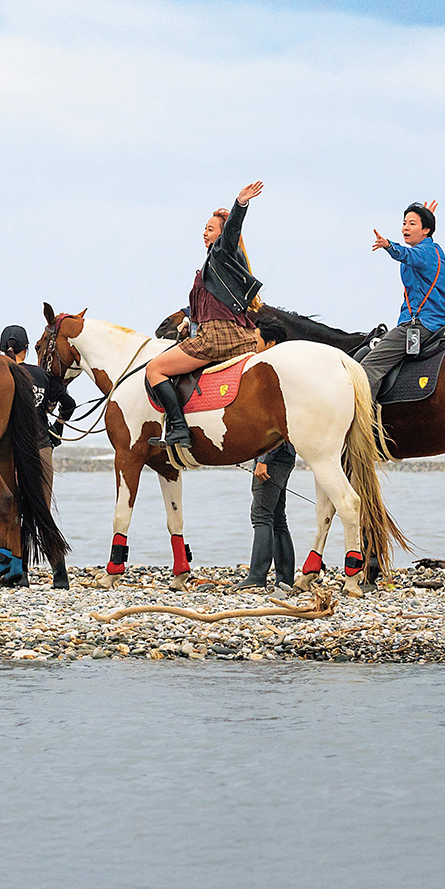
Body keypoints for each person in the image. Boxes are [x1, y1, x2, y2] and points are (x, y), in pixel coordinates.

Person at [141, 181, 266, 450]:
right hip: (229, 334)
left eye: (210, 229)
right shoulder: (214, 266)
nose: (204, 233)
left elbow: (231, 232)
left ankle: (178, 428)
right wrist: (190, 325)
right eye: (204, 229)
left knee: (155, 368)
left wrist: (239, 205)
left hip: (216, 338)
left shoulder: (221, 254)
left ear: (220, 235)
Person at [362, 200, 445, 401]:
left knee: (368, 367)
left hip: (420, 325)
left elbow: (406, 254)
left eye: (412, 223)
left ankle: (362, 422)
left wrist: (388, 246)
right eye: (404, 223)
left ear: (426, 230)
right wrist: (426, 216)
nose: (405, 228)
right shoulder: (432, 251)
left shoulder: (424, 253)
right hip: (432, 323)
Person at [0, 323, 78, 448]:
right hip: (40, 445)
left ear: (2, 349)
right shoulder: (41, 375)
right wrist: (59, 423)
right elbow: (69, 404)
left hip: (5, 448)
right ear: (26, 349)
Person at [243, 442, 298, 589]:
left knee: (261, 516)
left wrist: (262, 460)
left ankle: (257, 577)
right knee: (278, 519)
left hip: (272, 459)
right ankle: (285, 579)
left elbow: (273, 429)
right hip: (284, 456)